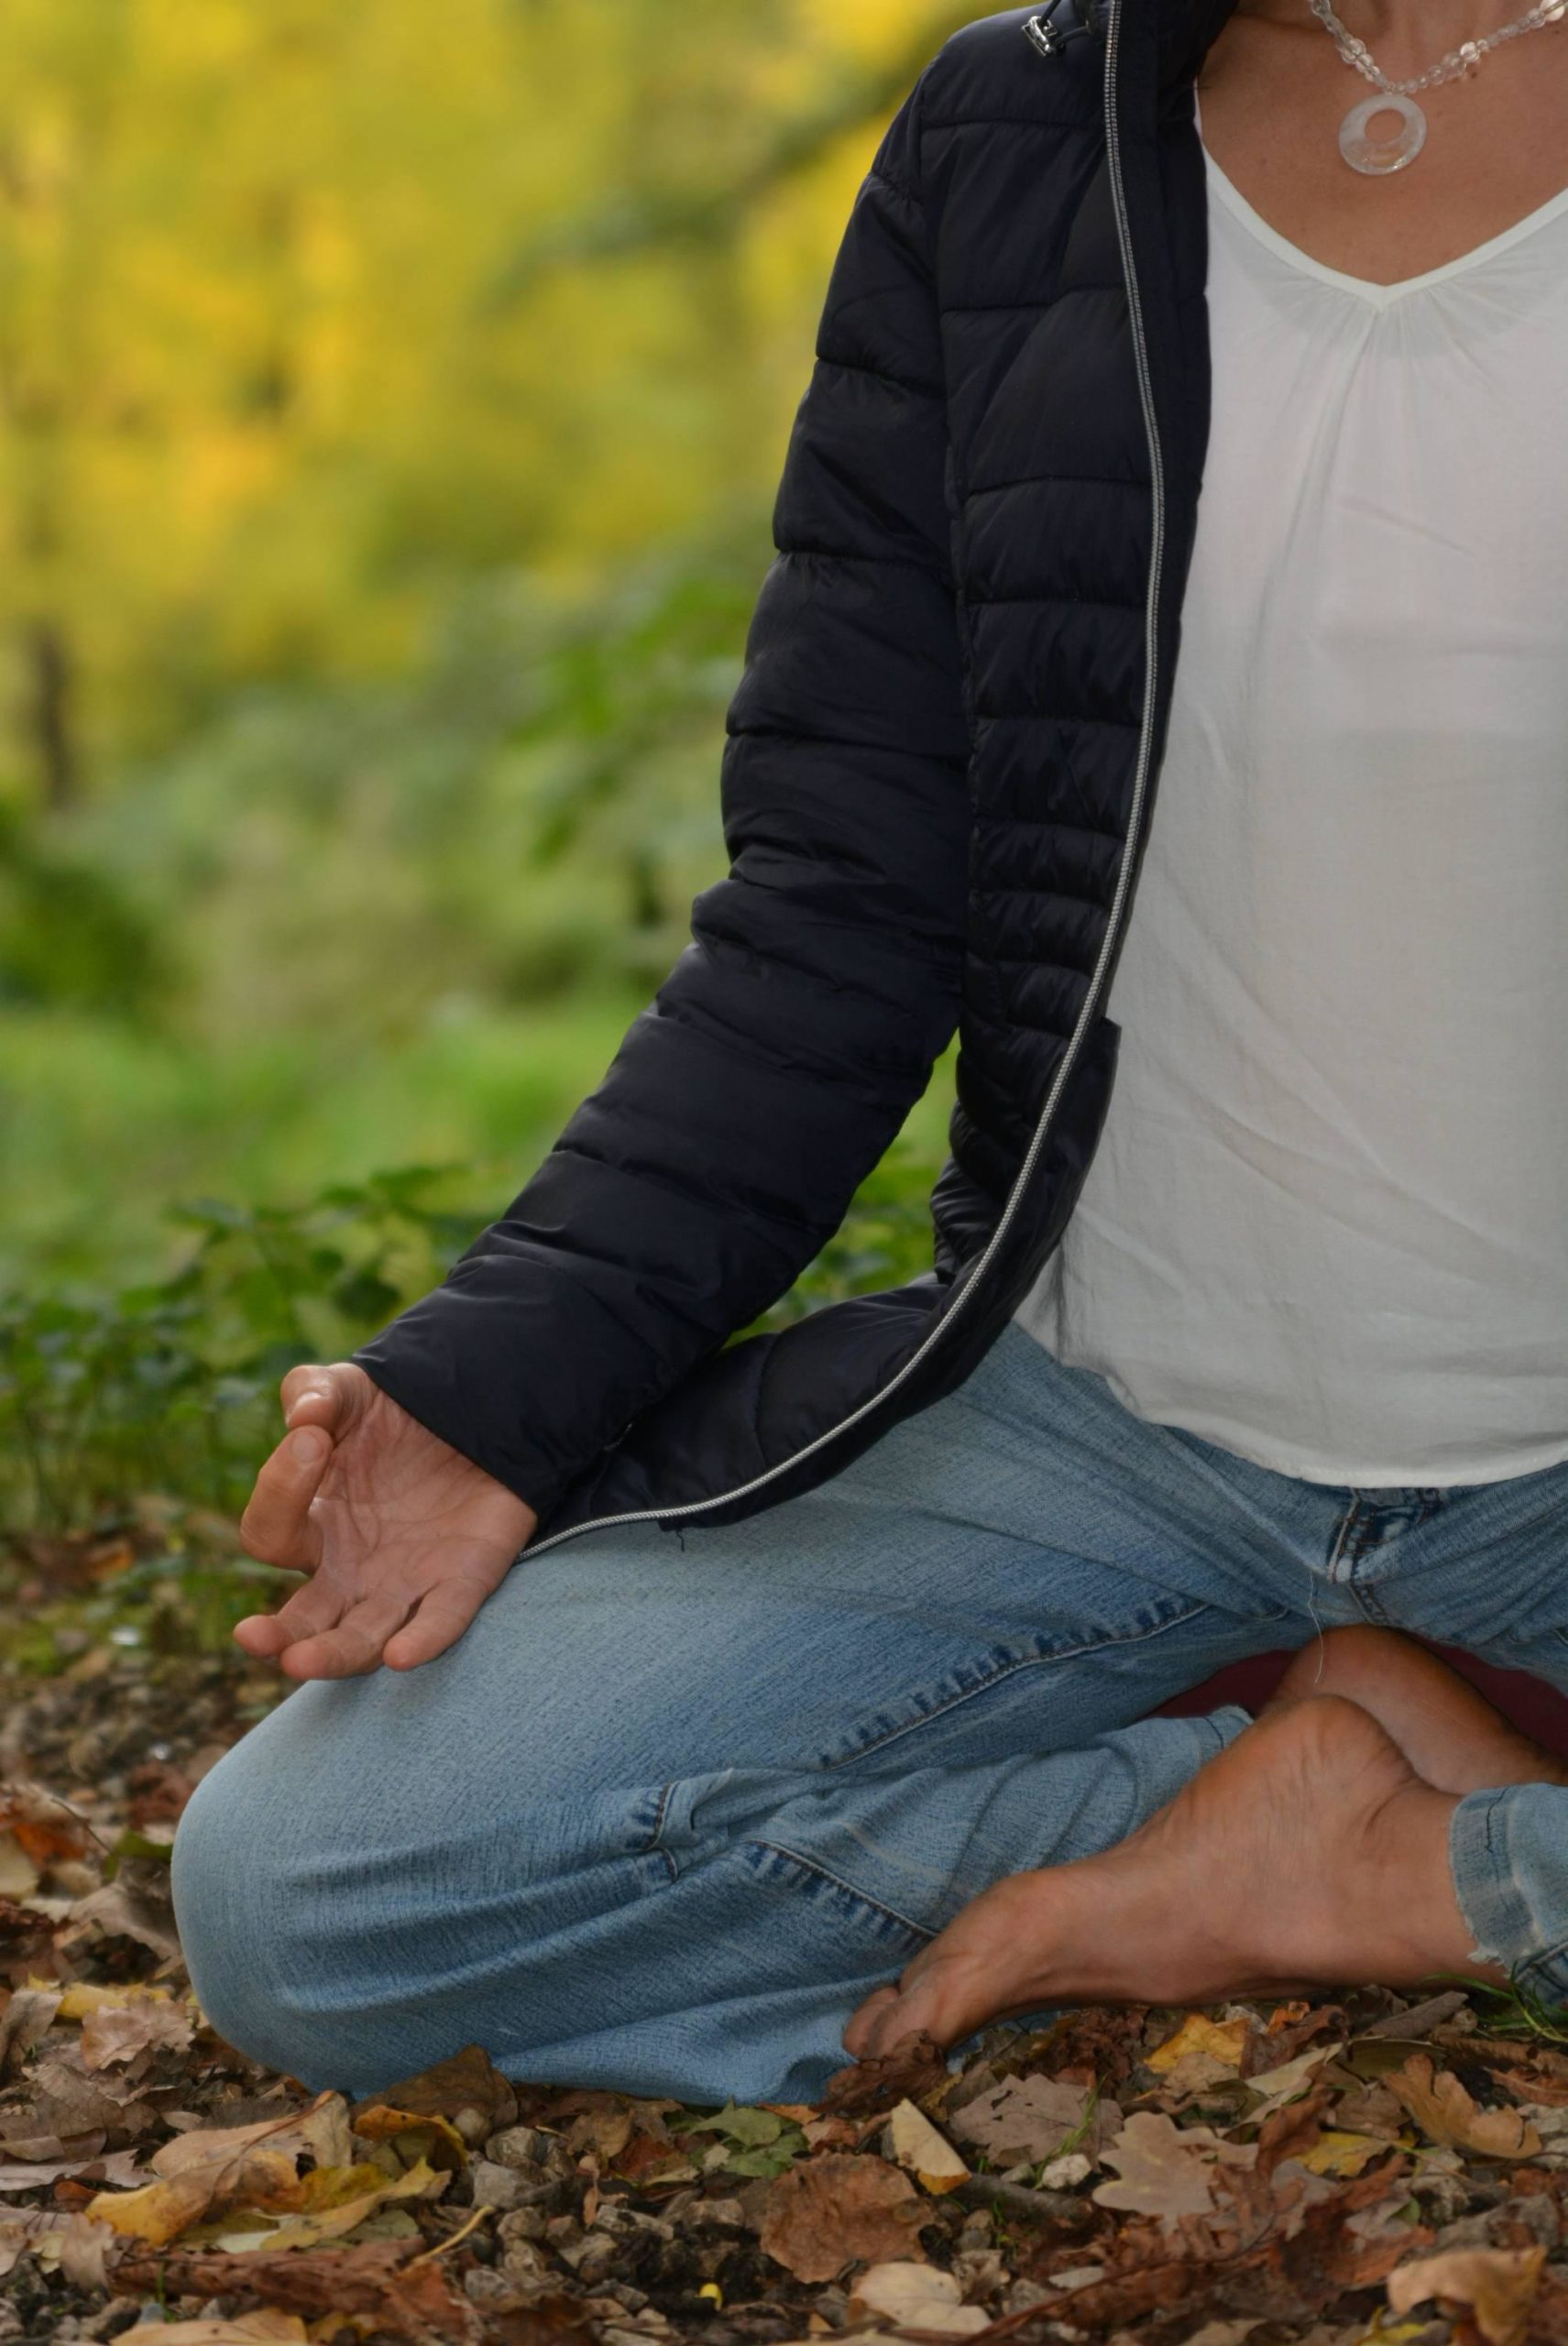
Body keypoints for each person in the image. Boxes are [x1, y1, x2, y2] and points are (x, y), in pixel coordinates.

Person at [170, 0, 1568, 2104]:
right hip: (1098, 1429)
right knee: (317, 1893)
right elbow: (839, 905)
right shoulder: (1016, 140)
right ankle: (1237, 1812)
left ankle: (1434, 1875)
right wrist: (489, 1391)